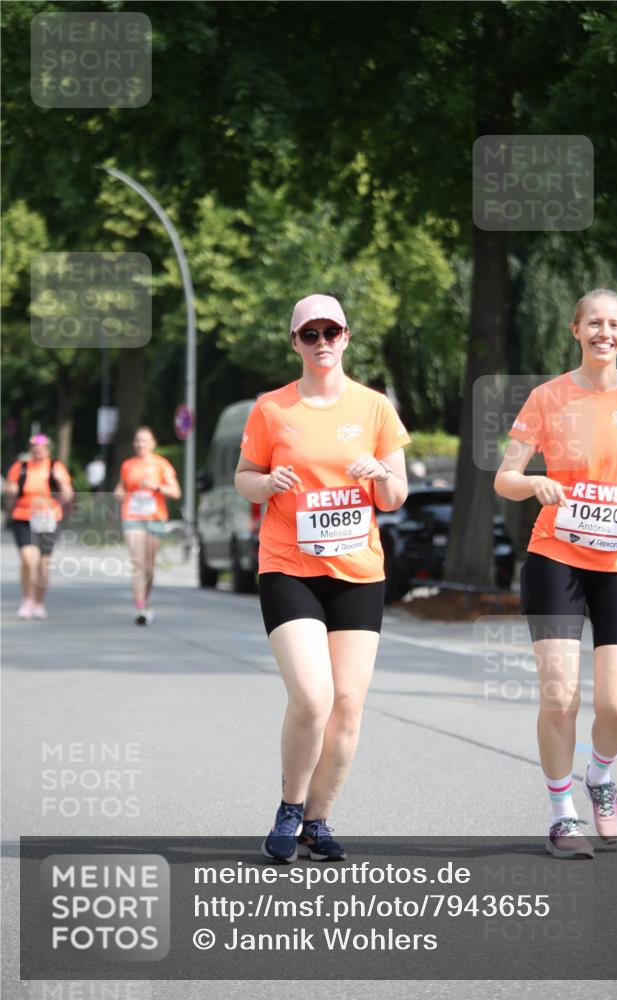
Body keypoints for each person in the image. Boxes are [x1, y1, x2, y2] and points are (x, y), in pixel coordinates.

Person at [235, 293, 410, 863]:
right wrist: (268, 485)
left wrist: (379, 471)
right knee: (313, 697)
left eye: (330, 332)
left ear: (346, 337)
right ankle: (290, 806)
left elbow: (395, 495)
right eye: (309, 334)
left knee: (348, 704)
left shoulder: (375, 408)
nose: (322, 343)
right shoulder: (272, 409)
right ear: (295, 343)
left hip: (358, 571)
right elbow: (244, 477)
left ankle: (319, 821)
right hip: (289, 565)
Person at [495, 288, 617, 859]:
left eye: (614, 324)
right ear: (575, 330)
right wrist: (534, 484)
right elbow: (505, 477)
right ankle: (562, 811)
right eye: (593, 322)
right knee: (560, 697)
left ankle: (600, 775)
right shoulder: (548, 398)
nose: (604, 332)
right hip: (557, 556)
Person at [114, 427, 181, 625]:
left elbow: (176, 492)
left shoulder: (161, 465)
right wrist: (118, 493)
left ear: (153, 443)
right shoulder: (128, 465)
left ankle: (147, 597)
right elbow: (121, 487)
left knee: (149, 566)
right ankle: (140, 607)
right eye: (138, 441)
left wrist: (156, 486)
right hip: (132, 516)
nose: (141, 445)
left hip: (155, 517)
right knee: (138, 562)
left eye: (144, 441)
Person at [5, 433, 74, 619]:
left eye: (42, 447)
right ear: (30, 448)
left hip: (49, 518)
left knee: (43, 564)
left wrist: (61, 482)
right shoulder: (20, 468)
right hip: (24, 516)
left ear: (47, 449)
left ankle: (38, 601)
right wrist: (10, 489)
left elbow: (68, 495)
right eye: (35, 447)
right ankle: (27, 599)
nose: (38, 450)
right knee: (29, 560)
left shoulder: (55, 467)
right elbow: (11, 488)